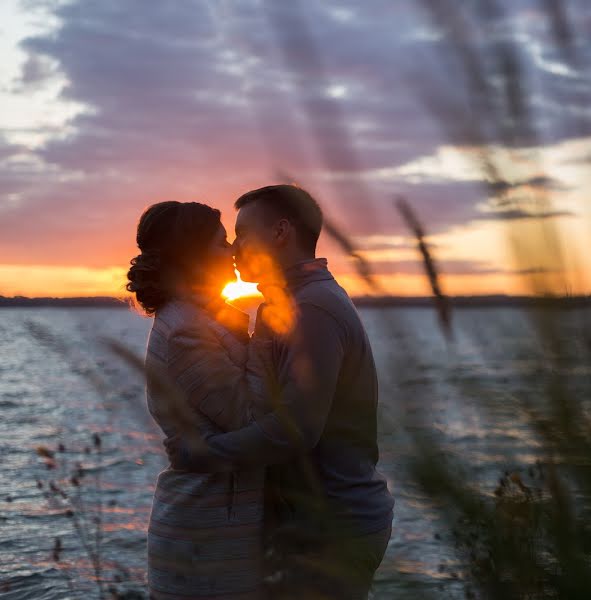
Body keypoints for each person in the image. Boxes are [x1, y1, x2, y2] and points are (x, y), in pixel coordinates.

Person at [167, 185, 394, 600]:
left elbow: (297, 428)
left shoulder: (312, 309)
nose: (234, 247)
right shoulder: (287, 304)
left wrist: (203, 453)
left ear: (281, 232)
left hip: (332, 529)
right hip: (308, 523)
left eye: (243, 234)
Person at [126, 201, 265, 599]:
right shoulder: (187, 331)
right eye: (222, 244)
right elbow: (249, 416)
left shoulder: (201, 319)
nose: (234, 251)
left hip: (219, 527)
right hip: (206, 536)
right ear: (193, 257)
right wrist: (269, 338)